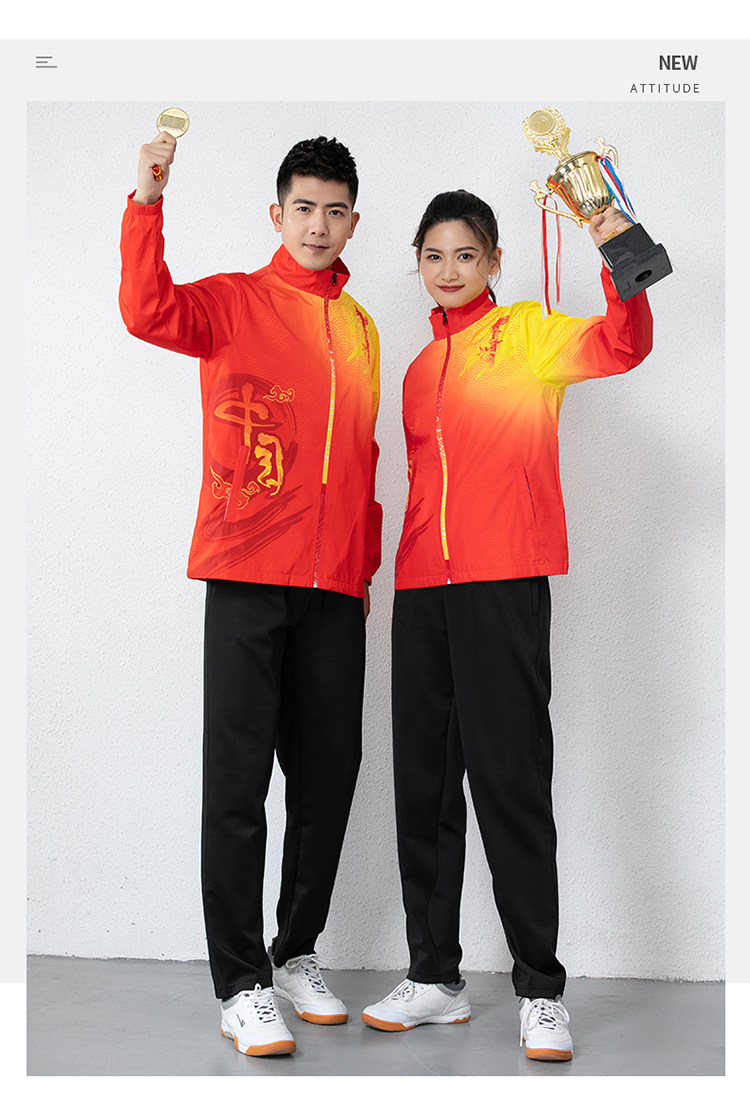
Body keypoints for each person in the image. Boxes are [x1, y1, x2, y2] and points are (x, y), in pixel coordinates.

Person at [361, 189, 653, 1061]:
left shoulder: (527, 334)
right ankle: (434, 976)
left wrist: (615, 241)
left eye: (466, 255)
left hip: (503, 584)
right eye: (433, 256)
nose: (448, 270)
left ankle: (540, 988)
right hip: (424, 591)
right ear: (419, 265)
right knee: (423, 788)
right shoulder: (419, 370)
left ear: (493, 261)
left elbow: (625, 344)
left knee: (510, 783)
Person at [119, 130, 382, 1057]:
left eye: (335, 210)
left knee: (329, 775)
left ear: (353, 221)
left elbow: (360, 456)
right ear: (278, 214)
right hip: (245, 574)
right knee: (236, 784)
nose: (318, 225)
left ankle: (294, 950)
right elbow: (145, 310)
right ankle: (239, 984)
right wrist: (147, 201)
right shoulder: (233, 301)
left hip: (334, 588)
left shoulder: (361, 327)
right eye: (303, 208)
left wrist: (360, 565)